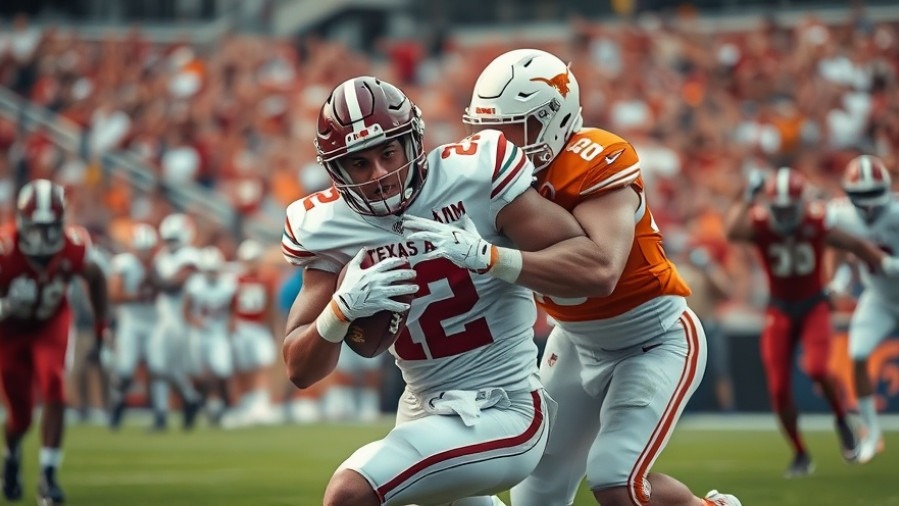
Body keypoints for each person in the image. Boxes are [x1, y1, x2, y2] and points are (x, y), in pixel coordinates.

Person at [282, 75, 609, 506]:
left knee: (351, 492)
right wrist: (339, 312)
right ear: (336, 170)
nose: (380, 175)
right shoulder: (326, 227)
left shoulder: (472, 175)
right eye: (360, 163)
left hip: (504, 409)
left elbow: (591, 266)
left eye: (387, 152)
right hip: (422, 411)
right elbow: (300, 370)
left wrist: (492, 258)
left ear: (412, 140)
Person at [451, 48, 740, 506]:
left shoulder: (593, 157)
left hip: (653, 339)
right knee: (535, 492)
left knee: (616, 478)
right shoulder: (487, 178)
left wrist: (492, 258)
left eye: (511, 129)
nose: (496, 143)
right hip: (574, 341)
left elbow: (601, 269)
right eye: (487, 128)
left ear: (554, 119)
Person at [727, 166, 899, 475]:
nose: (784, 214)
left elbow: (854, 245)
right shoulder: (763, 223)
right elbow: (732, 231)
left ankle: (842, 418)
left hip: (813, 305)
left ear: (800, 203)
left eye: (789, 207)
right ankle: (800, 452)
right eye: (778, 207)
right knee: (778, 388)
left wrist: (883, 263)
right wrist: (747, 195)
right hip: (778, 308)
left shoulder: (815, 220)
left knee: (818, 368)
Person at [0, 179, 109, 504]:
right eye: (38, 227)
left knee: (54, 384)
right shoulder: (5, 248)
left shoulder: (74, 245)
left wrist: (102, 327)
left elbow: (97, 277)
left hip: (50, 323)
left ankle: (48, 477)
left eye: (52, 227)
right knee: (20, 416)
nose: (46, 236)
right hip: (9, 333)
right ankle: (12, 453)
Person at [826, 154, 899, 464]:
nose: (868, 205)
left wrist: (887, 265)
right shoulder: (840, 215)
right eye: (861, 196)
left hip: (886, 286)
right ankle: (872, 431)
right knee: (857, 355)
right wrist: (838, 280)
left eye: (873, 196)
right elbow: (837, 250)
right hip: (879, 298)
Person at [148, 213, 203, 430]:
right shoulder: (162, 256)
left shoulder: (190, 256)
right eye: (167, 239)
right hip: (164, 317)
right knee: (160, 365)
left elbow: (173, 286)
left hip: (181, 319)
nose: (170, 244)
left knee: (166, 366)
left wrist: (153, 279)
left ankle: (187, 400)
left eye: (173, 239)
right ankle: (180, 403)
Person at [108, 223, 160, 429]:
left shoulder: (161, 263)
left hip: (155, 322)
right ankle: (118, 404)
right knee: (125, 368)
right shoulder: (125, 264)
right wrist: (137, 296)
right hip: (131, 321)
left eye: (148, 249)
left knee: (158, 367)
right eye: (142, 249)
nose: (145, 254)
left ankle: (160, 413)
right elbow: (114, 294)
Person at [183, 246, 237, 425]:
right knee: (198, 373)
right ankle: (200, 404)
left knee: (222, 369)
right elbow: (185, 311)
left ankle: (222, 404)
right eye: (208, 271)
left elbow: (232, 307)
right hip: (199, 334)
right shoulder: (195, 285)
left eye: (214, 270)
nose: (212, 274)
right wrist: (194, 320)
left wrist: (231, 322)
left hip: (218, 333)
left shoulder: (228, 285)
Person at [227, 239, 278, 427]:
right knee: (243, 367)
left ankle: (261, 403)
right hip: (241, 327)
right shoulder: (234, 279)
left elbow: (270, 307)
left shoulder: (266, 279)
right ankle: (244, 405)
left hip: (258, 327)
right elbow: (228, 306)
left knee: (264, 362)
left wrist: (272, 329)